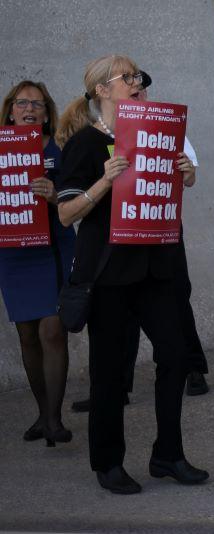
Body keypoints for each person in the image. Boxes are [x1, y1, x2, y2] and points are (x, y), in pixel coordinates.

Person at [55, 54, 208, 494]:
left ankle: (168, 454)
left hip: (158, 267)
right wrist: (104, 182)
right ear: (102, 90)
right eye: (128, 78)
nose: (138, 83)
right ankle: (108, 462)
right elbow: (66, 214)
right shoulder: (84, 143)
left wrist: (185, 173)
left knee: (176, 357)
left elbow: (173, 185)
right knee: (110, 371)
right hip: (109, 272)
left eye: (139, 76)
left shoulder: (157, 133)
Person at [1, 81, 75, 446]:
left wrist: (54, 195)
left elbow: (79, 198)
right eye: (22, 103)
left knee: (51, 331)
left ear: (47, 114)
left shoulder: (60, 149)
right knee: (27, 336)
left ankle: (54, 420)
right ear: (10, 110)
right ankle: (42, 413)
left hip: (53, 250)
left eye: (37, 104)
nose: (29, 109)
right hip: (13, 253)